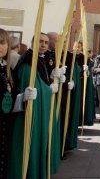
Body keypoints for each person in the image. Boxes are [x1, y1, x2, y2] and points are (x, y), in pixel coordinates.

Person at [9, 32, 62, 178]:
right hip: (28, 112)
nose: (43, 45)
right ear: (33, 43)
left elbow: (43, 81)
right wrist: (49, 90)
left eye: (45, 42)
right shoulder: (28, 61)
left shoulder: (40, 59)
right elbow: (34, 86)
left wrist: (52, 79)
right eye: (40, 42)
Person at [0, 29, 21, 178]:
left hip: (5, 127)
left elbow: (12, 98)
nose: (0, 46)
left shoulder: (9, 71)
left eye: (2, 42)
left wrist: (22, 98)